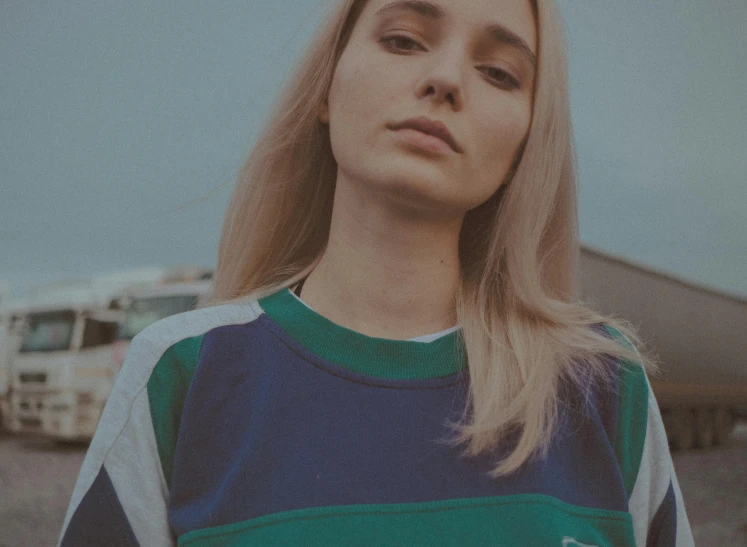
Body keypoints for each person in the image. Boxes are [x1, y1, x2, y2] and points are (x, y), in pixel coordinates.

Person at [59, 0, 694, 545]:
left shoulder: (602, 385)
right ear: (327, 87)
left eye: (500, 73)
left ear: (525, 144)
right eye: (402, 39)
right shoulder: (182, 375)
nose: (445, 79)